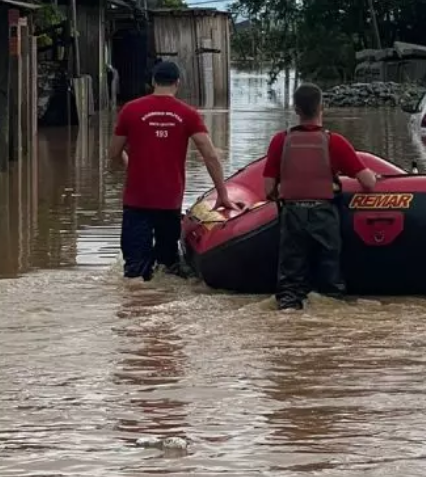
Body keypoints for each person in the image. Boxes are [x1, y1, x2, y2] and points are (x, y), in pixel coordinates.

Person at [108, 61, 242, 282]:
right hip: (169, 201)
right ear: (177, 83)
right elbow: (209, 154)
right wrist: (223, 194)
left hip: (136, 200)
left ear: (153, 81)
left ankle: (135, 310)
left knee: (134, 271)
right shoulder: (188, 114)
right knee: (168, 268)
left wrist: (130, 164)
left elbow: (113, 152)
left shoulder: (130, 110)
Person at [263, 83, 379, 311]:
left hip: (293, 215)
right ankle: (328, 320)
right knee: (330, 280)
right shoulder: (335, 142)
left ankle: (287, 313)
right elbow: (368, 182)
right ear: (321, 107)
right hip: (324, 215)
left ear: (296, 109)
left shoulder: (280, 141)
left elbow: (268, 188)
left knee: (290, 281)